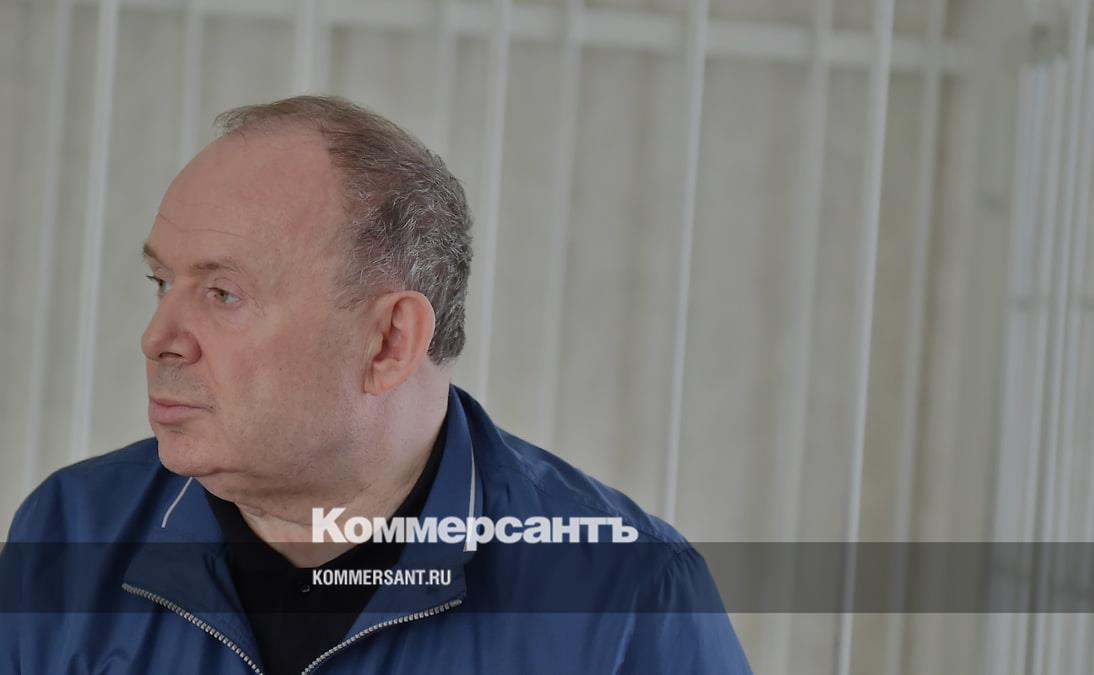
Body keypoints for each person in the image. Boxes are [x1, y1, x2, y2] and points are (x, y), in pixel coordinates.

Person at [0, 96, 750, 674]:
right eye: (161, 282)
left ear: (389, 342)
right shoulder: (68, 533)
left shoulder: (626, 595)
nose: (158, 337)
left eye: (223, 294)